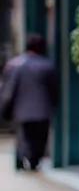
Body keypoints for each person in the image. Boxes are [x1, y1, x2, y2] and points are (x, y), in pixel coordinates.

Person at [0, 34, 58, 172]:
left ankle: (23, 160)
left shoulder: (14, 65)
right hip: (43, 110)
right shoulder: (47, 66)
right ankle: (33, 161)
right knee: (40, 139)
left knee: (23, 137)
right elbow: (54, 90)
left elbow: (8, 90)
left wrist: (5, 108)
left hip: (21, 110)